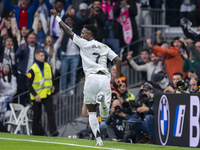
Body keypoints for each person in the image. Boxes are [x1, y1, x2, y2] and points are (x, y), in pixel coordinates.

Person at [50, 5, 122, 146]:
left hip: (91, 79)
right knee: (105, 114)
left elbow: (68, 31)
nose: (81, 35)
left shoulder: (83, 43)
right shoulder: (104, 47)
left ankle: (99, 140)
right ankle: (102, 102)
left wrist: (57, 17)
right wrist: (118, 77)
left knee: (91, 112)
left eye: (84, 33)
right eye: (81, 33)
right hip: (104, 78)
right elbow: (118, 60)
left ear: (90, 36)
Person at [26, 49, 58, 136]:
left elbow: (52, 77)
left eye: (43, 56)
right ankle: (36, 133)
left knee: (50, 112)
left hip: (47, 93)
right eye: (41, 56)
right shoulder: (32, 69)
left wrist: (53, 85)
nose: (43, 57)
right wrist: (35, 95)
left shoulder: (47, 65)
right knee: (37, 115)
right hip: (36, 96)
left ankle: (53, 131)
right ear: (36, 57)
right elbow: (28, 85)